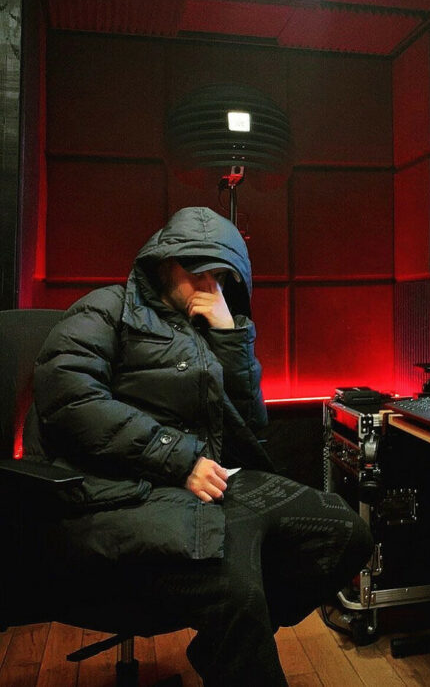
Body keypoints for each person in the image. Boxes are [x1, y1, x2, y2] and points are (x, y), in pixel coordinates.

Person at [25, 206, 373, 686]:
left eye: (220, 276)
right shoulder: (106, 308)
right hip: (118, 490)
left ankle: (220, 644)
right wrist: (179, 457)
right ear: (163, 264)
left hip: (205, 484)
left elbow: (250, 430)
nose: (209, 285)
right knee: (237, 594)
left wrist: (231, 339)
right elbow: (69, 399)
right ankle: (232, 639)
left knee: (347, 535)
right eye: (196, 271)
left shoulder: (209, 323)